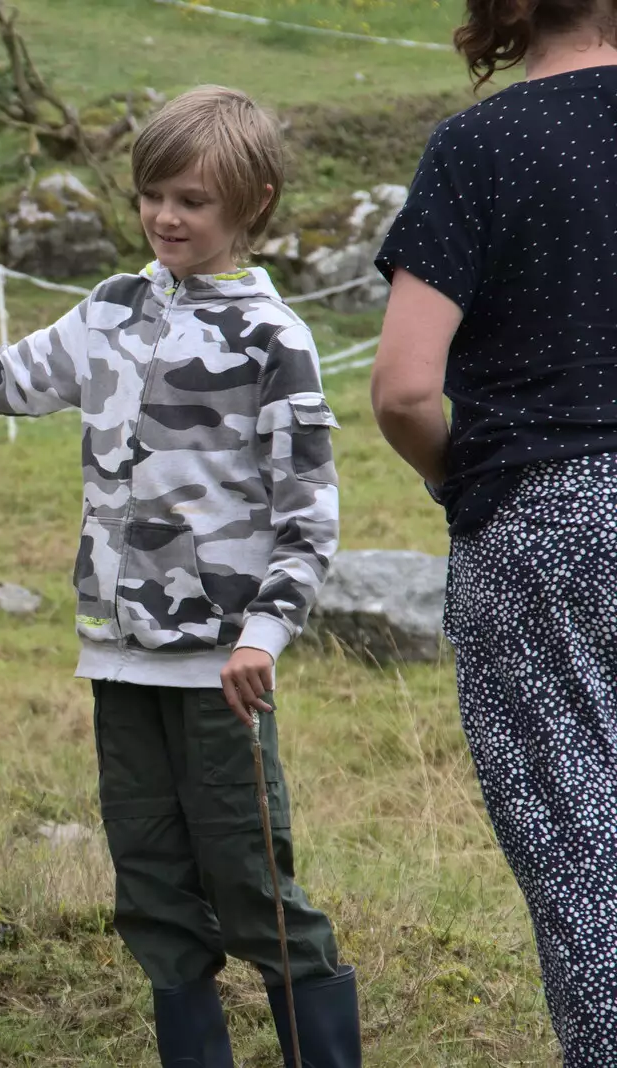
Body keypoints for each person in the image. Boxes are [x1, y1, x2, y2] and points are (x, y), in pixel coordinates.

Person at [0, 85, 357, 1067]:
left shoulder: (272, 340)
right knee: (151, 890)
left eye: (192, 200)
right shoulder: (110, 310)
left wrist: (263, 636)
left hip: (220, 672)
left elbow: (310, 520)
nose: (166, 216)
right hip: (116, 664)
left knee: (251, 886)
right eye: (154, 194)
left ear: (255, 202)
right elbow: (5, 377)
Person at [370, 0, 617, 1059]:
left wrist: (459, 485)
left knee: (581, 851)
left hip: (541, 523)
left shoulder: (479, 145)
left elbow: (401, 390)